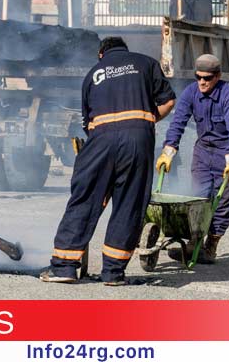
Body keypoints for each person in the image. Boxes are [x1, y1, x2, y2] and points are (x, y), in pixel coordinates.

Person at [41, 37, 176, 285]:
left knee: (85, 198)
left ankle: (64, 267)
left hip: (101, 140)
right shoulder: (146, 63)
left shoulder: (93, 74)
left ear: (101, 54)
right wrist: (143, 123)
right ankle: (113, 273)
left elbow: (87, 124)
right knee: (129, 203)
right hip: (138, 140)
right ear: (126, 49)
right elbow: (169, 101)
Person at [157, 54, 229, 264]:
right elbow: (178, 122)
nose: (202, 82)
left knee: (223, 202)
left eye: (208, 78)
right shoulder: (190, 92)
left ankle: (211, 246)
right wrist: (168, 152)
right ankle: (193, 245)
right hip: (203, 152)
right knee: (199, 200)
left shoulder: (228, 94)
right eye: (199, 77)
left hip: (226, 152)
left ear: (218, 76)